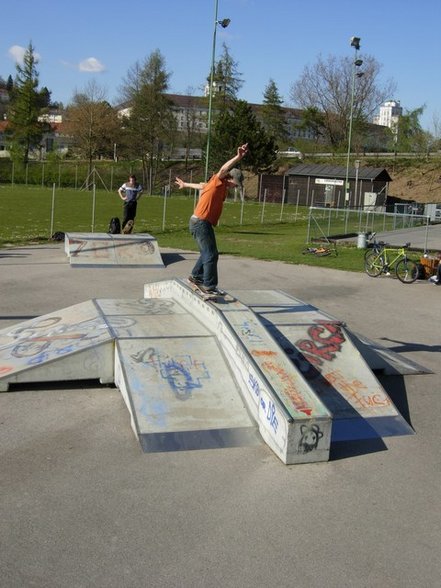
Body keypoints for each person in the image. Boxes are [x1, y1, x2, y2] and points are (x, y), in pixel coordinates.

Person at [175, 143, 249, 293]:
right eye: (236, 184)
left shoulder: (217, 186)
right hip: (200, 222)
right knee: (211, 254)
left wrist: (185, 184)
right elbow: (223, 169)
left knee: (208, 252)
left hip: (203, 223)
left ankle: (196, 275)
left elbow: (201, 186)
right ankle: (209, 285)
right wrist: (238, 157)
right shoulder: (218, 181)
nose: (236, 187)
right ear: (230, 178)